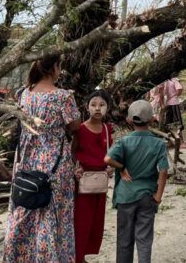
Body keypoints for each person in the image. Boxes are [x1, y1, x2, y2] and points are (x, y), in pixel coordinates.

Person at [3, 55, 81, 262]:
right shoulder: (63, 97)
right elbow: (75, 126)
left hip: (26, 161)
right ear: (54, 68)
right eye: (59, 66)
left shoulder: (23, 94)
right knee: (53, 213)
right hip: (54, 163)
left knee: (25, 207)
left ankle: (19, 257)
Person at [104, 100, 169, 263]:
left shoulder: (123, 142)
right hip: (148, 196)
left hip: (125, 196)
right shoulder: (159, 143)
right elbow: (163, 170)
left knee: (124, 240)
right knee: (144, 239)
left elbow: (108, 159)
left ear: (128, 120)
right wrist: (158, 196)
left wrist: (122, 167)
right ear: (152, 120)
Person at [72, 90, 114, 263]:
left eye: (102, 105)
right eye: (93, 105)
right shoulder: (80, 129)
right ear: (87, 107)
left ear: (108, 108)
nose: (97, 109)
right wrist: (75, 169)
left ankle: (83, 256)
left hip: (100, 182)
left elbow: (110, 153)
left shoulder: (106, 129)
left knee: (96, 223)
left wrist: (111, 166)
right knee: (81, 222)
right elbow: (72, 153)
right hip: (83, 183)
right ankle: (77, 257)